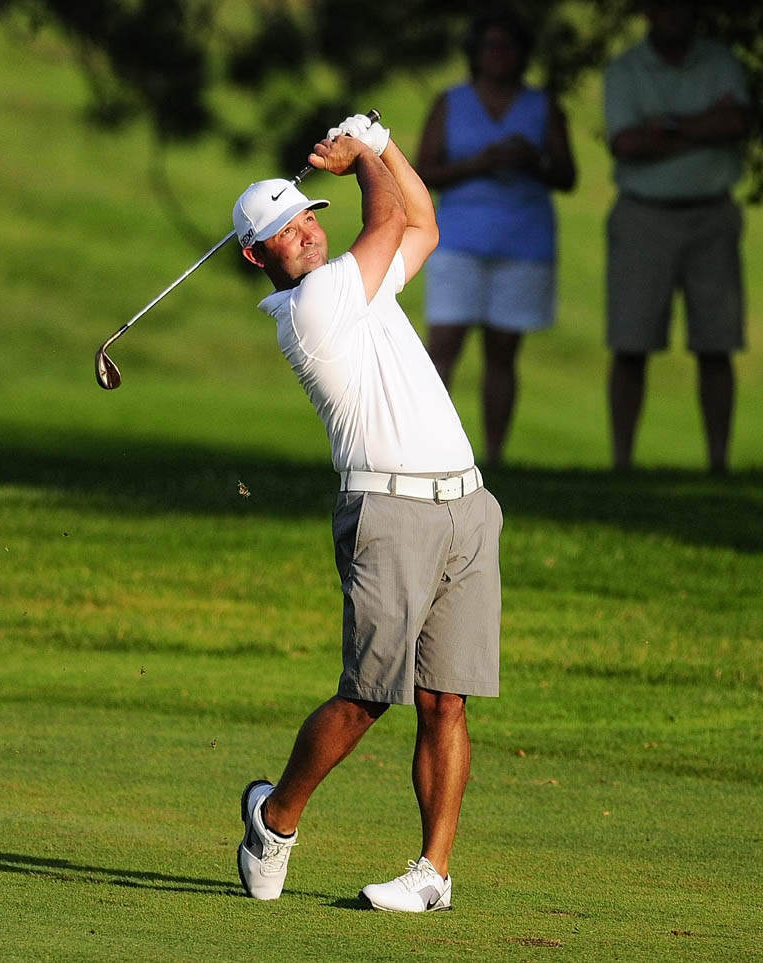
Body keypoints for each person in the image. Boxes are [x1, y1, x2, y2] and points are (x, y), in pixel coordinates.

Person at [231, 113, 503, 912]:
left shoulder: (360, 282)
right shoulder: (312, 306)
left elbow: (422, 224)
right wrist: (360, 160)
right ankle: (275, 821)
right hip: (387, 510)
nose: (307, 233)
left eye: (308, 218)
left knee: (446, 699)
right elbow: (385, 220)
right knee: (367, 695)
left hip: (465, 505)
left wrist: (383, 147)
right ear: (257, 255)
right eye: (286, 232)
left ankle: (433, 873)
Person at [416, 8, 576, 465]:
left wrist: (534, 162)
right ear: (476, 52)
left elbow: (566, 176)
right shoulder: (450, 102)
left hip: (523, 242)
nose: (499, 55)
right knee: (442, 346)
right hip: (457, 240)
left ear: (523, 53)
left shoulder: (542, 106)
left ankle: (493, 455)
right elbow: (423, 170)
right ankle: (425, 451)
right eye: (490, 46)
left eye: (507, 46)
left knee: (502, 353)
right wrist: (478, 164)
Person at [604, 1, 751, 473]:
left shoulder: (721, 61)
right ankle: (622, 463)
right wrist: (704, 127)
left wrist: (667, 127)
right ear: (648, 11)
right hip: (643, 215)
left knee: (717, 343)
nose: (674, 13)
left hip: (712, 214)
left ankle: (719, 463)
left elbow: (737, 123)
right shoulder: (626, 69)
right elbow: (627, 143)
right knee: (631, 341)